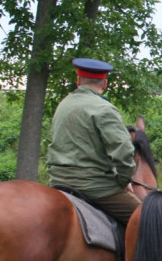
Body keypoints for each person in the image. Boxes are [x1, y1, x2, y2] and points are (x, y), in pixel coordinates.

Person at [47, 58, 139, 226]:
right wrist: (124, 180)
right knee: (149, 220)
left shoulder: (64, 104)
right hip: (94, 186)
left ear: (78, 80)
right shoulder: (103, 108)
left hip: (58, 181)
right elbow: (123, 150)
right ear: (104, 84)